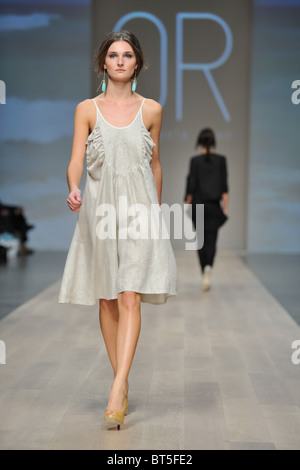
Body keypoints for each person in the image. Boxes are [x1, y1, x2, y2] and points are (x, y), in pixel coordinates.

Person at [58, 31, 177, 429]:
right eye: (113, 55)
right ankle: (121, 383)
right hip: (99, 211)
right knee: (107, 299)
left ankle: (117, 386)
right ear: (103, 63)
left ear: (138, 63)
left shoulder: (153, 110)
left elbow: (155, 164)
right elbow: (76, 158)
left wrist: (157, 213)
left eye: (128, 55)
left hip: (141, 211)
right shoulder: (87, 109)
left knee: (130, 296)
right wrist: (74, 187)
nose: (121, 61)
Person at [185, 128, 229, 291]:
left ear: (199, 142)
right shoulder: (221, 160)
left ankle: (204, 268)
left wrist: (187, 205)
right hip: (213, 206)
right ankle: (209, 266)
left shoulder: (195, 161)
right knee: (212, 240)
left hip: (198, 205)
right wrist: (225, 208)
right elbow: (224, 187)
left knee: (200, 240)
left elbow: (191, 184)